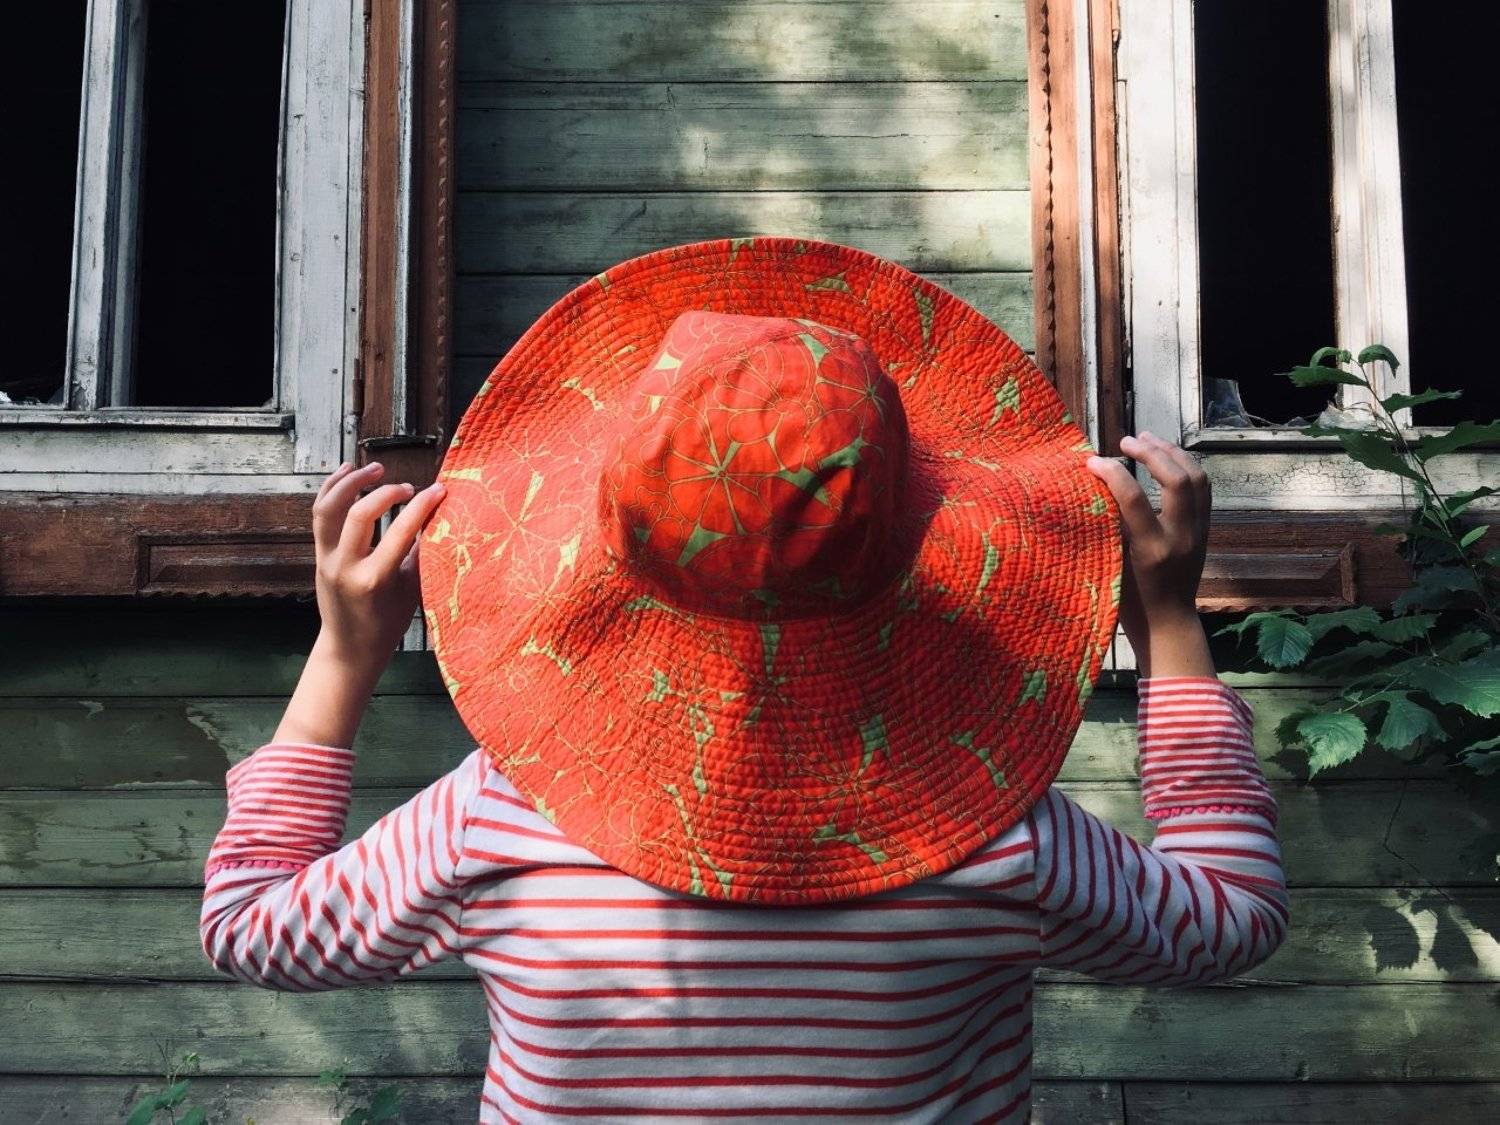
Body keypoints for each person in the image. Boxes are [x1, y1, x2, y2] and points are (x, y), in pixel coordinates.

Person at [200, 238, 1287, 1123]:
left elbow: (252, 922)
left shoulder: (502, 815)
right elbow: (1230, 915)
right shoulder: (998, 834)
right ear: (908, 522)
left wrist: (345, 656)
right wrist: (1169, 626)